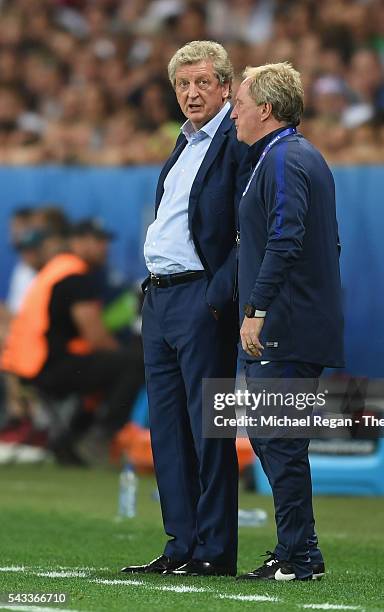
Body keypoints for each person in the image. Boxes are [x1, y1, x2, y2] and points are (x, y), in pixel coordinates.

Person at [121, 41, 248, 577]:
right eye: (182, 84)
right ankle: (181, 546)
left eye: (201, 82)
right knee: (166, 430)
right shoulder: (182, 142)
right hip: (161, 296)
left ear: (225, 86)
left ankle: (214, 551)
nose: (191, 93)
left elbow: (249, 230)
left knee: (206, 428)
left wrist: (218, 297)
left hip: (200, 297)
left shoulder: (239, 140)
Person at [231, 62, 344, 581]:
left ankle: (301, 555)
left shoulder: (283, 159)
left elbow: (286, 237)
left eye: (240, 102)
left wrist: (256, 309)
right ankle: (295, 548)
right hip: (298, 318)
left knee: (279, 439)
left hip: (286, 323)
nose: (234, 112)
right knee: (274, 437)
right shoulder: (294, 156)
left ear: (266, 110)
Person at [1, 218, 144, 464]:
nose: (104, 248)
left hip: (27, 365)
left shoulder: (57, 268)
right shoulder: (75, 274)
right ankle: (98, 437)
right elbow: (96, 337)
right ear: (77, 242)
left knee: (108, 367)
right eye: (98, 241)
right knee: (133, 363)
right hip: (45, 367)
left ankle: (68, 443)